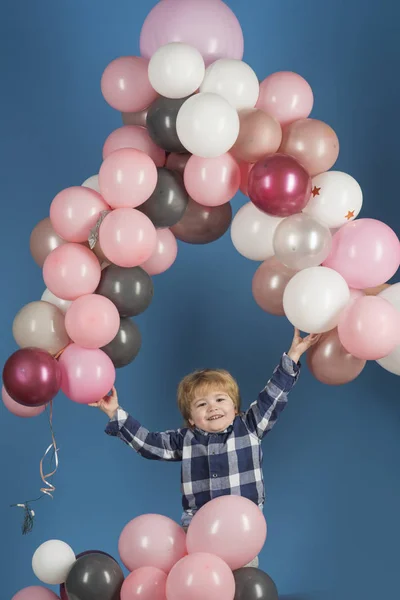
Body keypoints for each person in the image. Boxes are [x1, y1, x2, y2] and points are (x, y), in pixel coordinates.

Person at [91, 327, 319, 567]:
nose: (212, 407)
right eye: (202, 404)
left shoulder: (250, 426)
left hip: (242, 531)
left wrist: (293, 355)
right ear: (190, 418)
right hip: (198, 533)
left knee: (243, 584)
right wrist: (114, 412)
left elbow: (273, 395)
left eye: (220, 400)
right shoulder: (185, 439)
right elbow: (149, 444)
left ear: (235, 408)